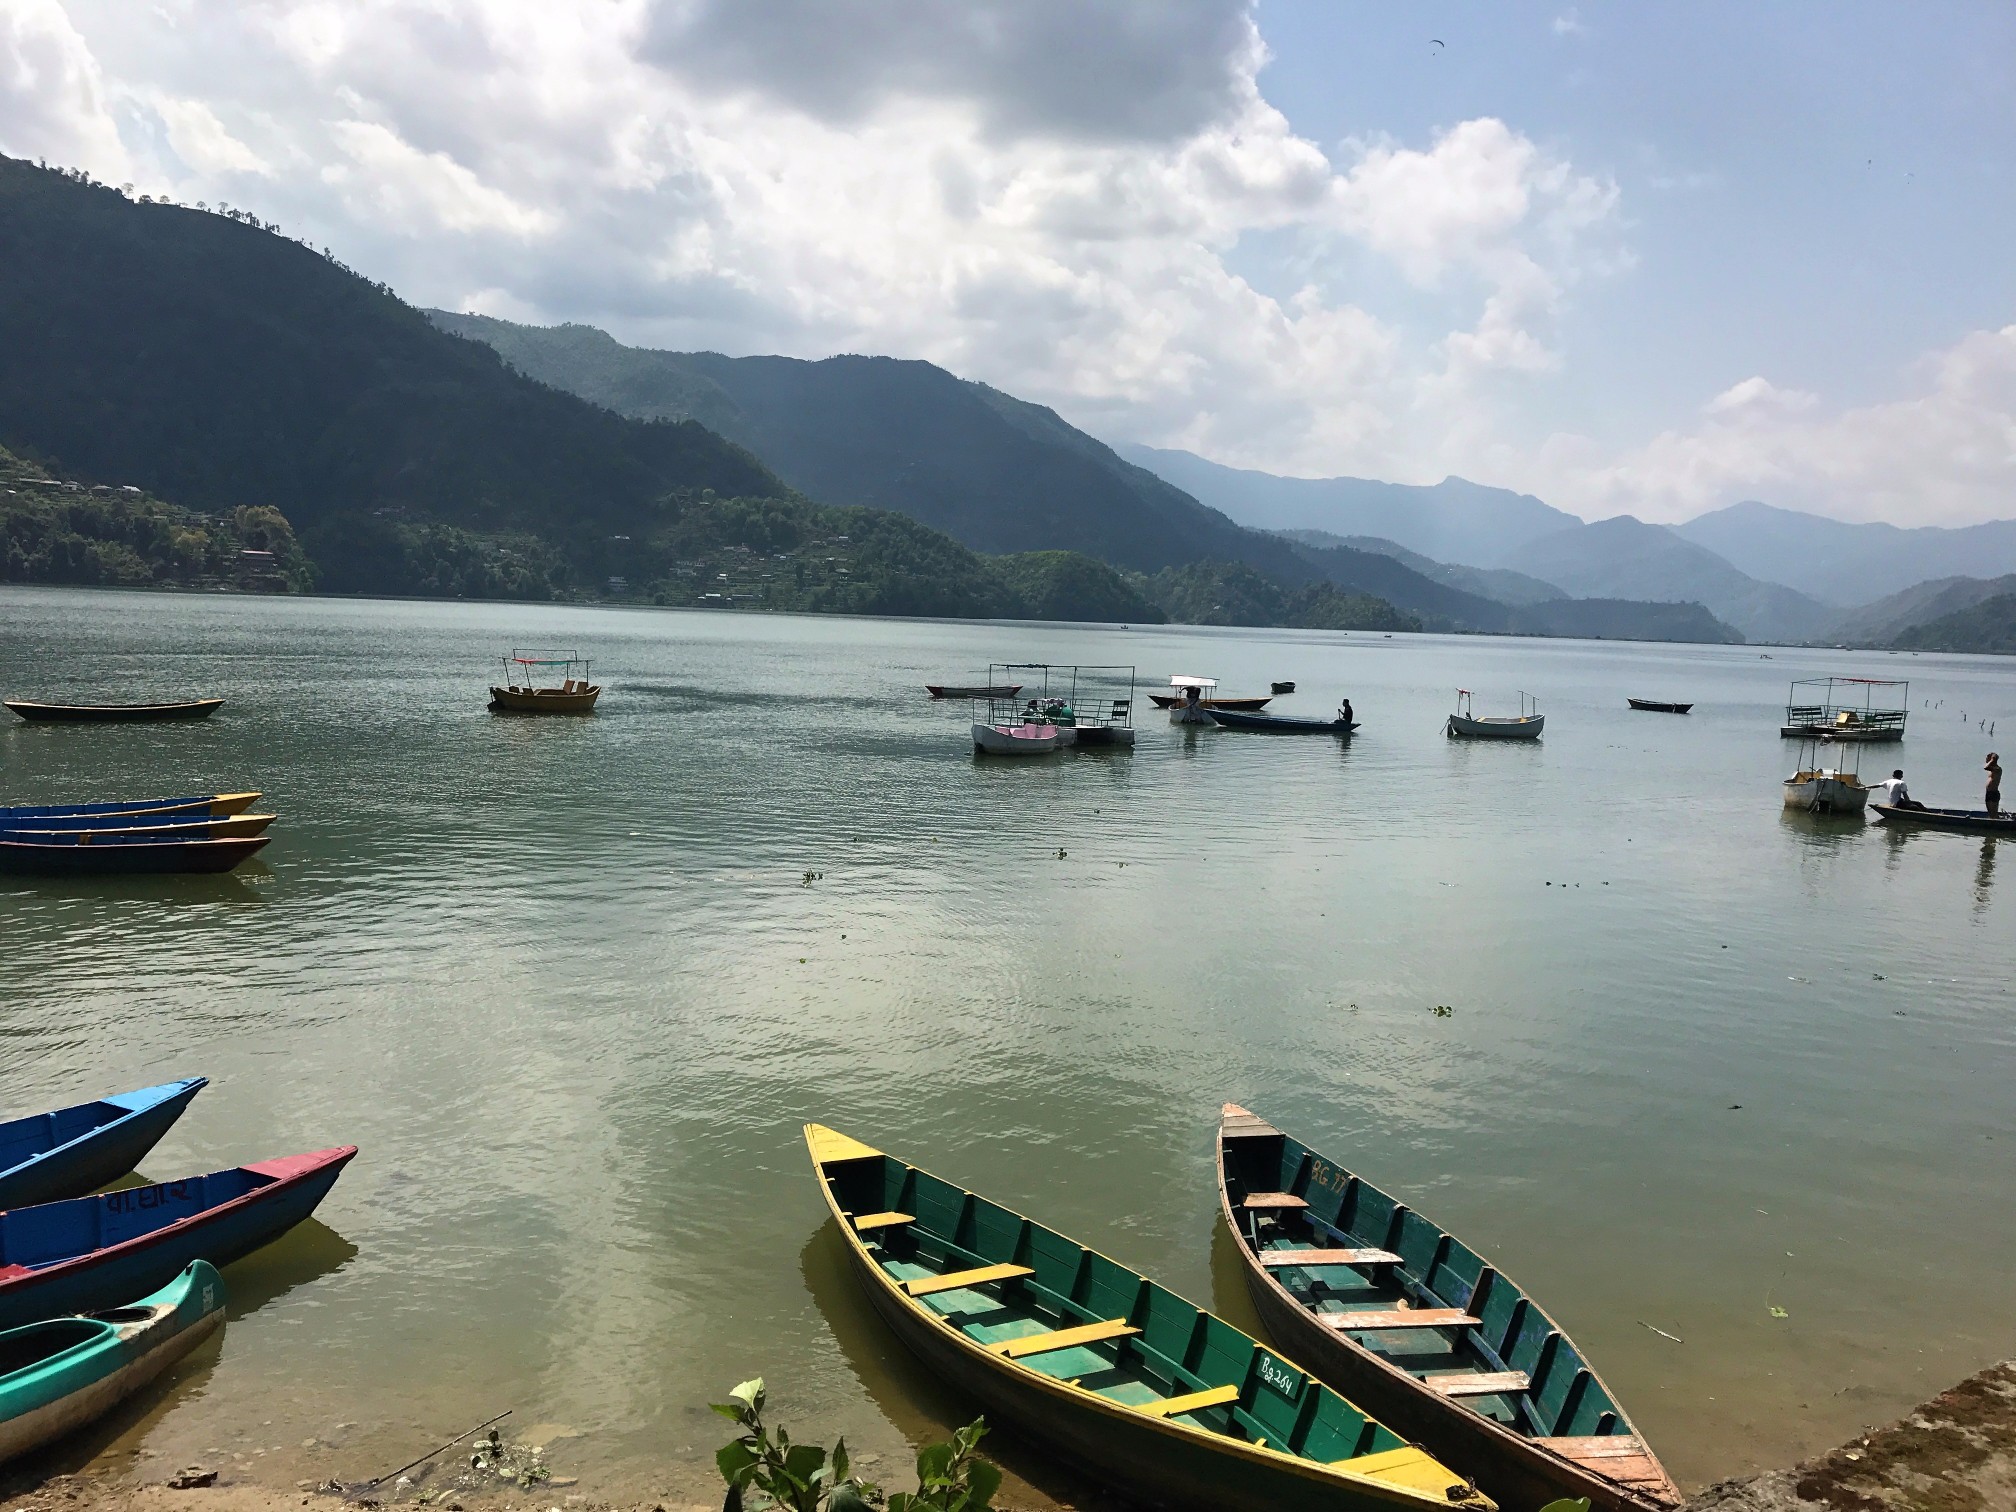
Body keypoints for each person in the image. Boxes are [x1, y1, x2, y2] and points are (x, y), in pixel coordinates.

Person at [1988, 753, 2004, 817]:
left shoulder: (1998, 769)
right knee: (1990, 814)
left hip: (1993, 792)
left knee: (1993, 814)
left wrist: (1992, 760)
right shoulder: (1991, 770)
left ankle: (1996, 825)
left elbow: (1986, 767)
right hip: (1988, 792)